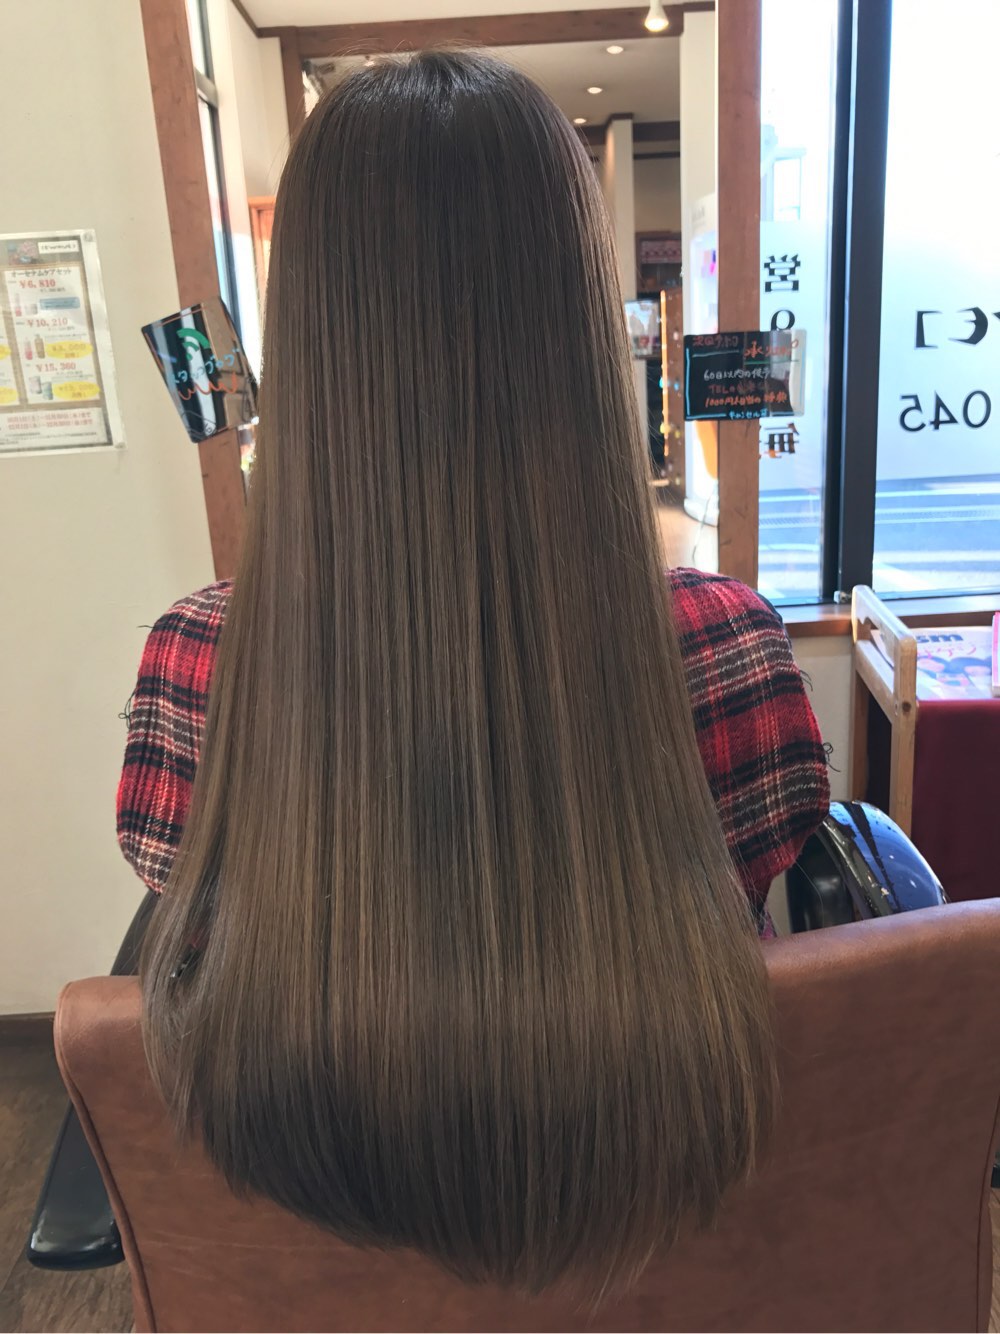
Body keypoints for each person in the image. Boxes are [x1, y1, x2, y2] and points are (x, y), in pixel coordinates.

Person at [126, 51, 828, 1298]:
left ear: (311, 331)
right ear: (577, 328)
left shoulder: (194, 664)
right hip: (671, 1261)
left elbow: (183, 926)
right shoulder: (729, 643)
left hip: (332, 1265)